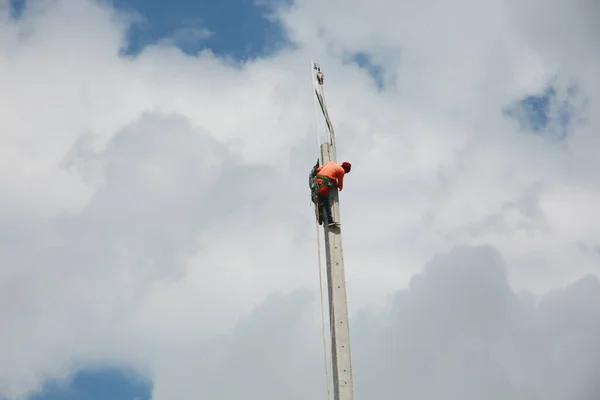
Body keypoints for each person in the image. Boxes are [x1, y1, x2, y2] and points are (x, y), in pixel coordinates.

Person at [310, 160, 351, 226]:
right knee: (327, 201)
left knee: (322, 199)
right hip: (324, 185)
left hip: (316, 182)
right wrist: (338, 186)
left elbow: (318, 169)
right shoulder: (341, 171)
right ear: (346, 170)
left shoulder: (331, 163)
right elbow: (340, 185)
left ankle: (320, 212)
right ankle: (330, 220)